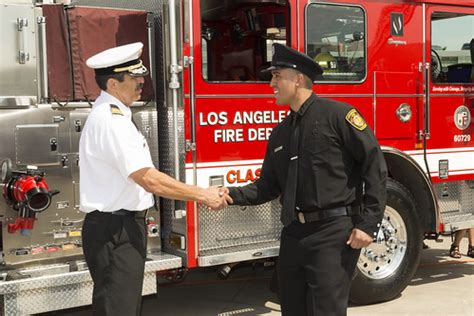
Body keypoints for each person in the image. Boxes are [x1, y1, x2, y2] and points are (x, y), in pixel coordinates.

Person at [227, 43, 387, 316]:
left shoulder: (338, 115)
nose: (271, 84)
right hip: (293, 235)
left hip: (333, 234)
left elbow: (375, 166)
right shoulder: (280, 133)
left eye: (277, 76)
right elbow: (267, 186)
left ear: (298, 78)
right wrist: (229, 195)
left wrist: (368, 224)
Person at [79, 42, 231, 316]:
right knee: (118, 308)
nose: (141, 83)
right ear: (113, 84)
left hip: (118, 227)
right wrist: (203, 194)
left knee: (121, 305)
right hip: (115, 229)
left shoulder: (114, 114)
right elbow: (150, 179)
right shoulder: (112, 121)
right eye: (134, 78)